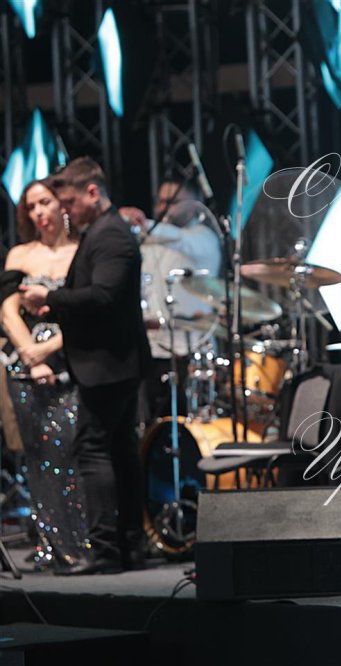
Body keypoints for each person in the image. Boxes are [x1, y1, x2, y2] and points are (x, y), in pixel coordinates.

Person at [20, 157, 152, 575]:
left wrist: (49, 298)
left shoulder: (110, 234)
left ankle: (107, 550)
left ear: (92, 192)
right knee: (119, 451)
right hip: (112, 361)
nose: (66, 212)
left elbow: (104, 297)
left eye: (70, 203)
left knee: (93, 449)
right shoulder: (104, 231)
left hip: (108, 362)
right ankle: (129, 546)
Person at [0, 178, 88, 571]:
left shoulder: (81, 251)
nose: (39, 212)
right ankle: (50, 543)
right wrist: (32, 356)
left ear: (62, 205)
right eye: (31, 206)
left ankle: (82, 542)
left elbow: (91, 311)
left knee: (71, 450)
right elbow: (7, 312)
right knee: (38, 455)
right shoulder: (20, 253)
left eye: (45, 203)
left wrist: (51, 349)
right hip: (26, 365)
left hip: (71, 359)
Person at [123, 176, 223, 421]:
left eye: (173, 201)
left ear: (195, 204)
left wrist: (142, 223)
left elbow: (179, 239)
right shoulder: (151, 241)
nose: (164, 208)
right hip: (153, 349)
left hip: (190, 350)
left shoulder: (203, 237)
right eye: (161, 201)